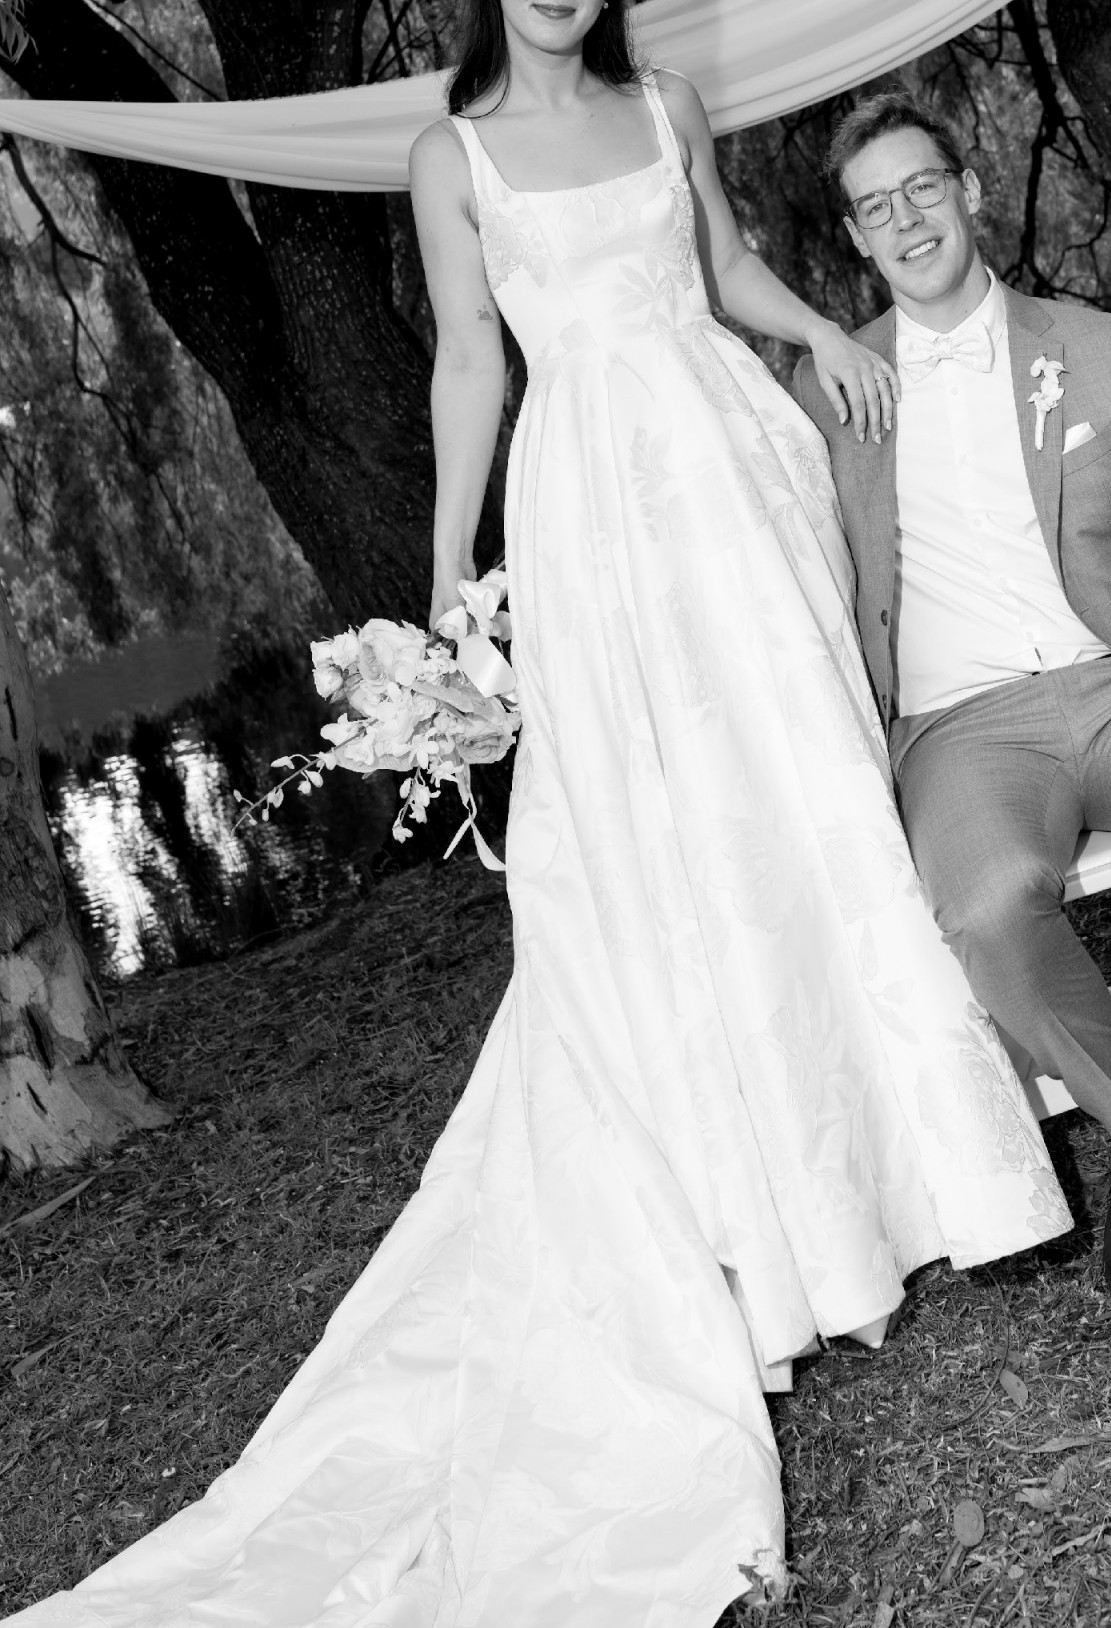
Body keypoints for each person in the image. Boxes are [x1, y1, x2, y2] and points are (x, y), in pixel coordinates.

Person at [5, 11, 1071, 1628]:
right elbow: (467, 360)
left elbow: (723, 268)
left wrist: (826, 335)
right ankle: (780, 1237)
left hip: (731, 466)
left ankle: (937, 1185)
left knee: (809, 806)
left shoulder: (668, 101)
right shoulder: (452, 154)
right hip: (594, 502)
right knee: (675, 844)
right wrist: (447, 583)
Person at [793, 88, 1111, 1287]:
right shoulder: (824, 395)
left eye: (922, 186)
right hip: (963, 731)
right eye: (876, 207)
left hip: (1102, 670)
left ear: (969, 191)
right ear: (854, 238)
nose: (907, 219)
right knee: (985, 911)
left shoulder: (1089, 344)